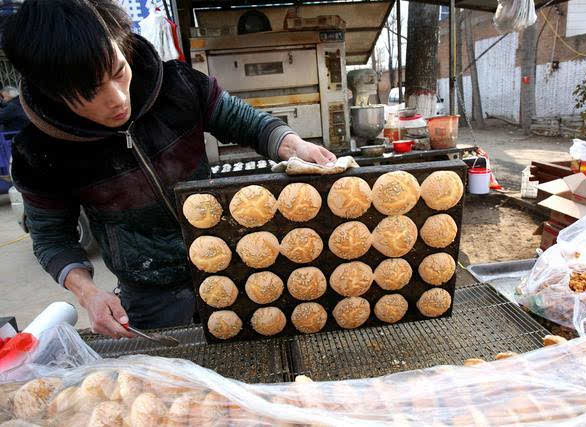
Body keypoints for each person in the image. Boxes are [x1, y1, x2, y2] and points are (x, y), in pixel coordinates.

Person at [3, 0, 337, 339]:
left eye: (119, 72)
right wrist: (87, 292)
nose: (118, 98)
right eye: (91, 91)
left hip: (226, 261)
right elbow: (51, 238)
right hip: (151, 292)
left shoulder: (176, 85)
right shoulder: (40, 150)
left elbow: (247, 123)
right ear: (54, 91)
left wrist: (295, 145)